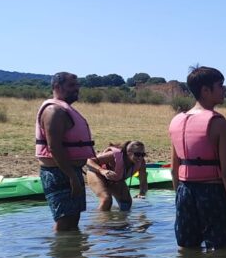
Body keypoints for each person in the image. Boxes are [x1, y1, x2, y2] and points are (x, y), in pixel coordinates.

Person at [169, 67, 226, 249]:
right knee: (225, 252)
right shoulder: (220, 125)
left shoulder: (176, 121)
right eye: (220, 85)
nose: (224, 90)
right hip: (213, 193)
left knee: (188, 250)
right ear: (205, 90)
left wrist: (180, 199)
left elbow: (174, 168)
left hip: (184, 193)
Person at [36, 72, 95, 231]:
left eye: (77, 86)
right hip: (59, 173)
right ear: (56, 87)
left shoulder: (64, 109)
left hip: (70, 171)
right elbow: (54, 147)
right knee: (65, 221)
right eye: (71, 86)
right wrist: (71, 177)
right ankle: (61, 253)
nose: (76, 89)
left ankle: (72, 255)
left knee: (73, 219)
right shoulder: (54, 111)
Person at [85, 140, 149, 211]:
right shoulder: (114, 155)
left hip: (115, 179)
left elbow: (143, 181)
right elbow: (89, 161)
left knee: (127, 204)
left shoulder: (141, 163)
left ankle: (120, 221)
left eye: (143, 155)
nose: (140, 158)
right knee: (107, 200)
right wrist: (102, 171)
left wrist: (142, 192)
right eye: (137, 154)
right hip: (97, 174)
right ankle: (101, 221)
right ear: (128, 153)